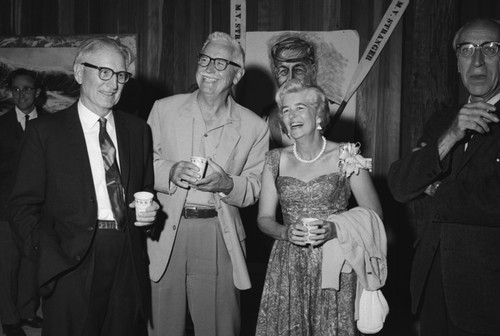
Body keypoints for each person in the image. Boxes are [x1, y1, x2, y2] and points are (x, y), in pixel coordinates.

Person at [8, 37, 159, 336]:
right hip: (70, 263)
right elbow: (21, 206)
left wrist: (150, 214)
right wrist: (48, 256)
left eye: (120, 75)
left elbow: (146, 191)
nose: (113, 84)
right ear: (79, 73)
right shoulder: (45, 132)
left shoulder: (138, 131)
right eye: (103, 72)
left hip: (127, 258)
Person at [146, 31, 269, 336]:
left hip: (219, 234)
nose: (208, 69)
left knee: (219, 327)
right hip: (165, 231)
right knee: (162, 326)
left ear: (237, 74)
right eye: (204, 60)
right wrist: (170, 171)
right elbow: (143, 162)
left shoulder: (255, 126)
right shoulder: (164, 109)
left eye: (219, 63)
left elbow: (255, 187)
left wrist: (227, 184)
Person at [387, 18, 500, 336]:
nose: (477, 60)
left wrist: (437, 187)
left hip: (488, 296)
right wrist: (450, 135)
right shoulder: (442, 119)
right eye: (467, 49)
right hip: (432, 287)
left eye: (490, 49)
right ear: (458, 61)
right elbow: (400, 186)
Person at [256, 79, 385, 335]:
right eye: (286, 110)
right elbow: (264, 218)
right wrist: (284, 232)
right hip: (287, 265)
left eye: (300, 107)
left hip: (336, 264)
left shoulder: (346, 155)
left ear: (318, 114)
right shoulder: (273, 160)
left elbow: (375, 215)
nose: (292, 116)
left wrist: (336, 229)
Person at [0, 69, 45, 336]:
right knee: (7, 265)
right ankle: (9, 318)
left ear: (37, 93)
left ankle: (27, 311)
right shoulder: (1, 125)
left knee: (32, 262)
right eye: (16, 89)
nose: (21, 94)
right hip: (4, 209)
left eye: (27, 89)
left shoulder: (53, 124)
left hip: (39, 210)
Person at [263, 35, 339, 148]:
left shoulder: (332, 113)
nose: (290, 78)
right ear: (275, 73)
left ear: (313, 71)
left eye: (298, 70)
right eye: (283, 71)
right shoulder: (266, 117)